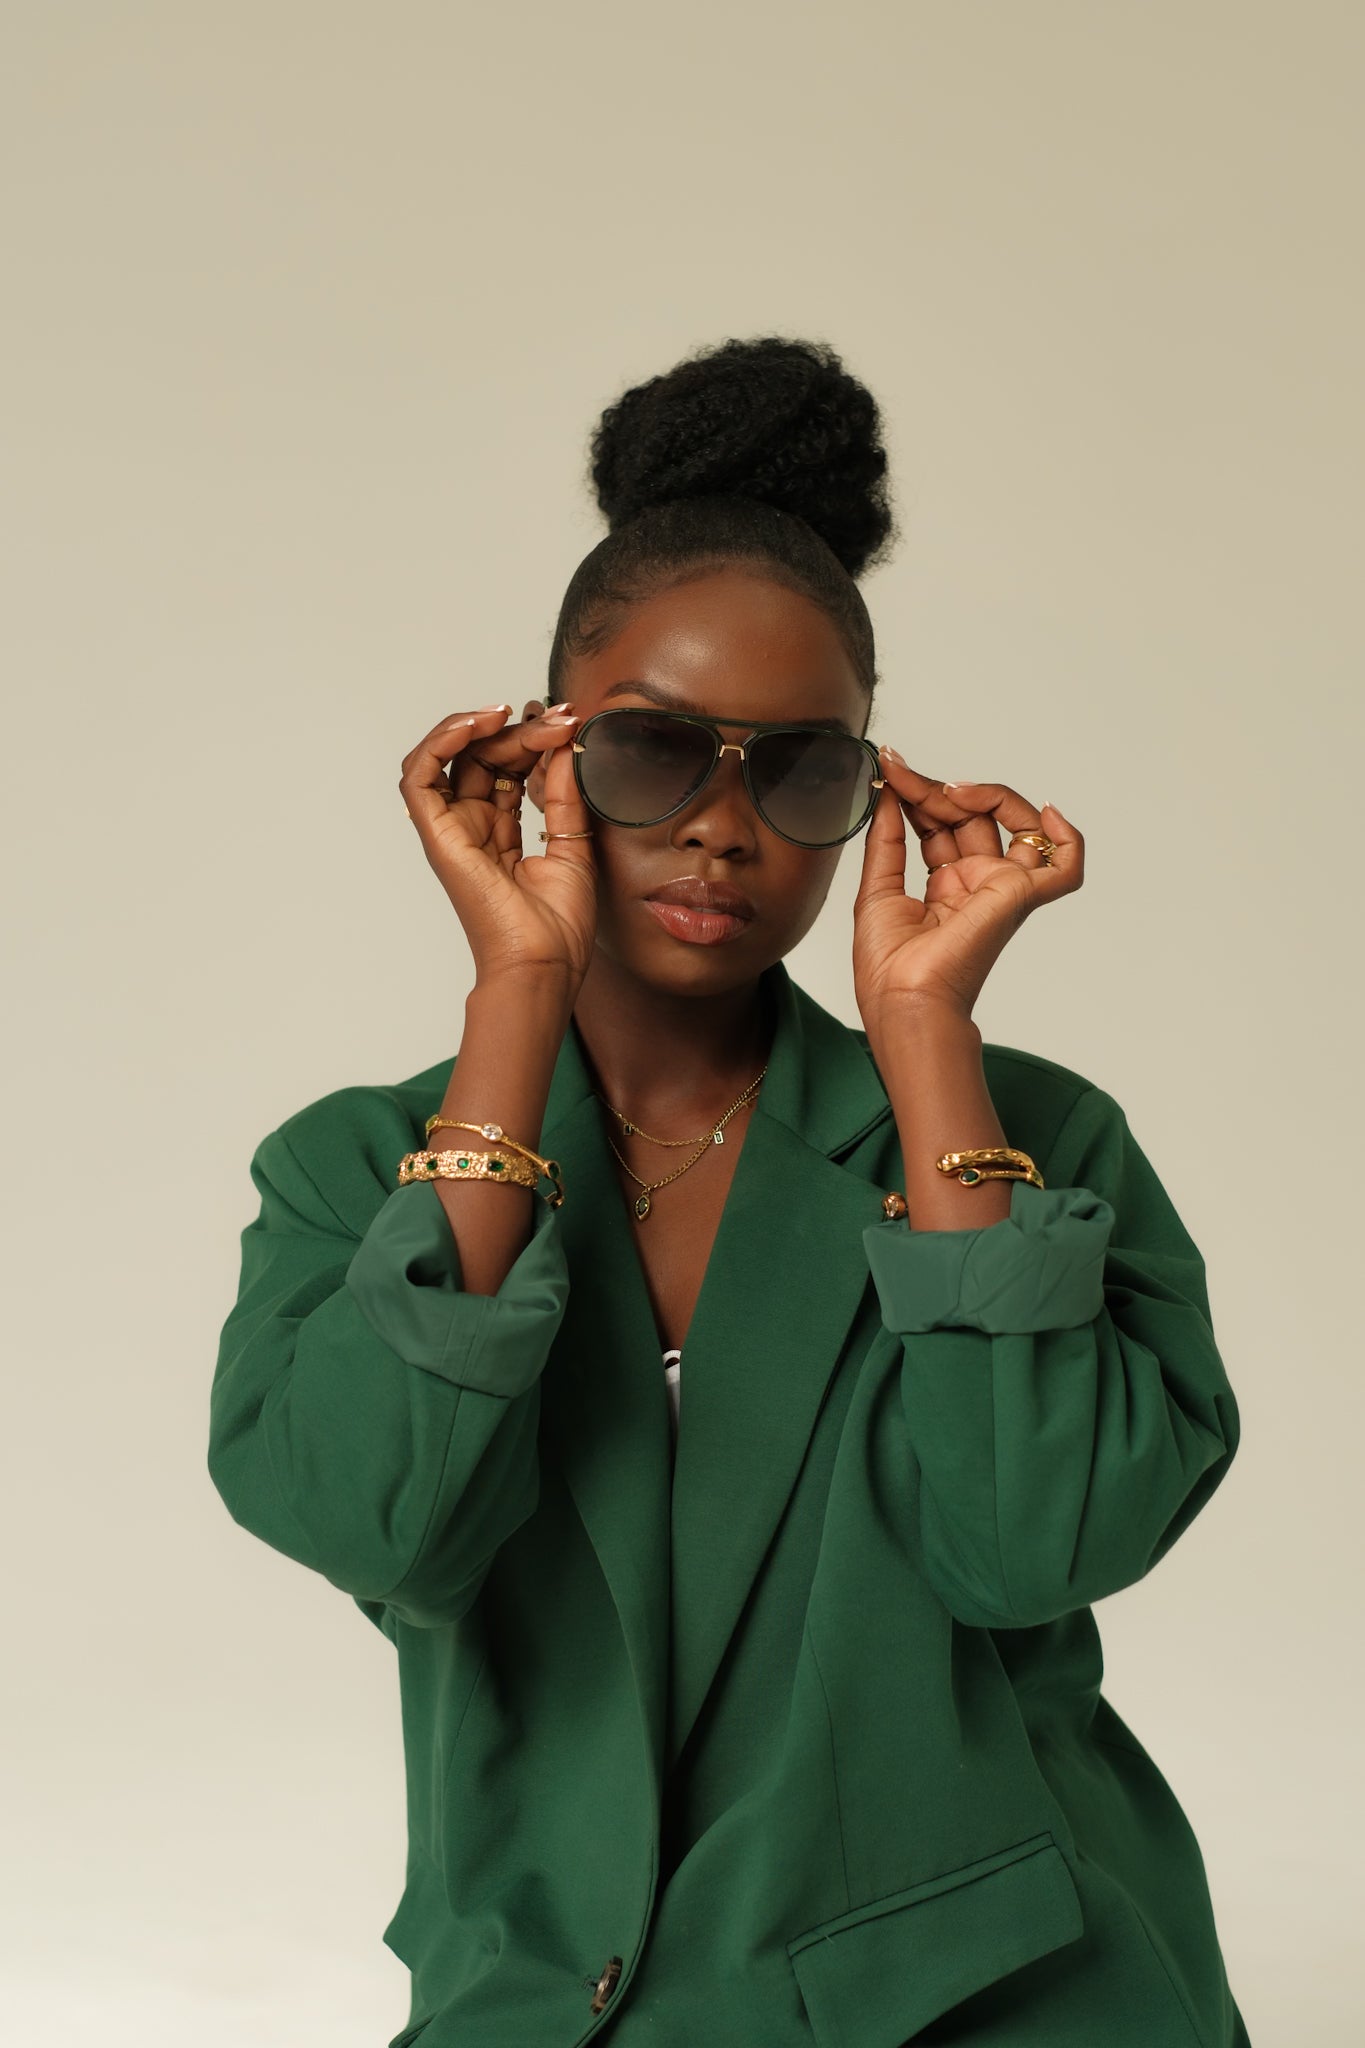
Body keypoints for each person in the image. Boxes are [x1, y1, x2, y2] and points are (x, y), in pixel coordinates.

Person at [207, 335, 1251, 2047]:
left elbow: (1038, 1549)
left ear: (865, 793)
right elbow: (372, 1524)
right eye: (651, 750)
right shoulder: (351, 1166)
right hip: (552, 2001)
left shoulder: (1033, 1141)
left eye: (798, 769)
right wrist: (513, 995)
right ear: (538, 755)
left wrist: (925, 1036)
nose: (720, 823)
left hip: (1002, 1998)